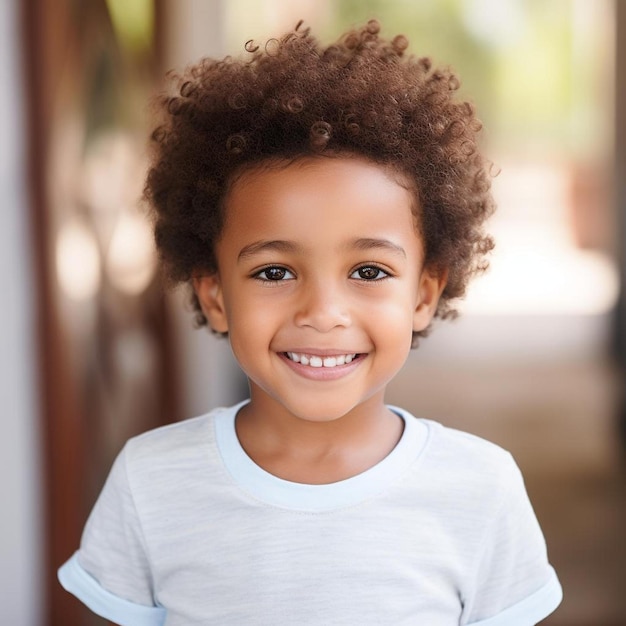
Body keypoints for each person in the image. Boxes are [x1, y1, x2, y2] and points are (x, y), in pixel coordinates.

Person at [58, 19, 562, 625]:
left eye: (369, 271)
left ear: (425, 294)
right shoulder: (151, 481)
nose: (323, 313)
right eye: (274, 272)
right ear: (214, 295)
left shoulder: (481, 488)